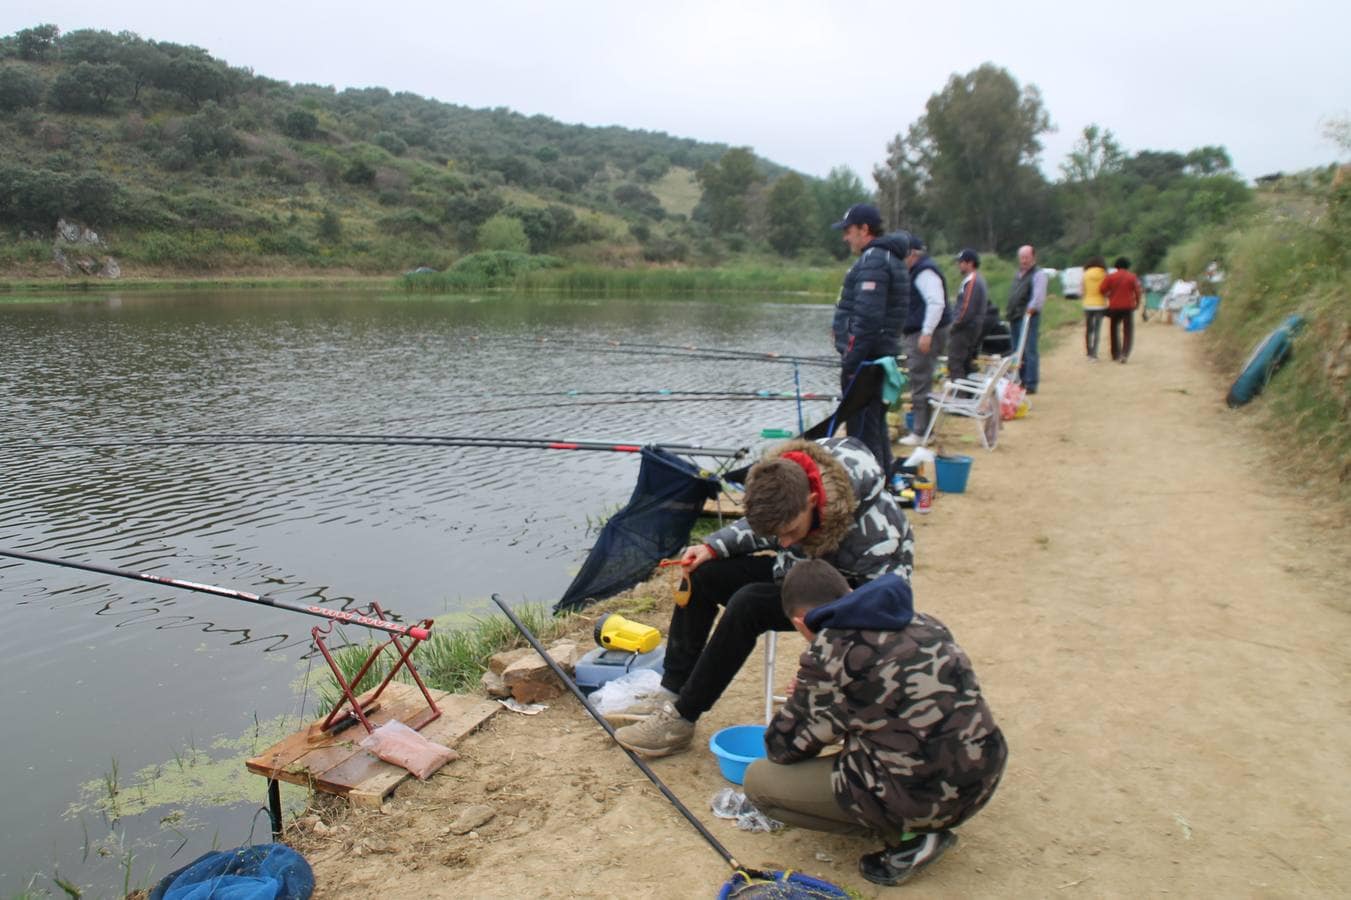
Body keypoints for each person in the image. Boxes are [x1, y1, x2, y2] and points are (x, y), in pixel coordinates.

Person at [611, 436, 915, 758]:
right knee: (703, 575)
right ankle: (672, 689)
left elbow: (887, 607)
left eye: (790, 532)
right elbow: (765, 526)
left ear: (812, 500)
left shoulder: (878, 529)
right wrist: (712, 546)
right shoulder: (787, 480)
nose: (782, 542)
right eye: (777, 535)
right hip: (796, 571)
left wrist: (824, 659)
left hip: (849, 595)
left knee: (749, 603)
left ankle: (682, 719)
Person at [744, 560, 1006, 887]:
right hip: (982, 773)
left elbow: (782, 748)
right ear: (848, 592)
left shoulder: (830, 652)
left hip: (931, 798)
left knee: (759, 782)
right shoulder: (921, 620)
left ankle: (909, 838)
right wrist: (825, 700)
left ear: (800, 622)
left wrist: (809, 694)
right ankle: (913, 822)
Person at [828, 203, 910, 471]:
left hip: (866, 362)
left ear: (865, 229)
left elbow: (867, 320)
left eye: (848, 231)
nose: (845, 237)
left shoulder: (875, 260)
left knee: (861, 435)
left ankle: (870, 490)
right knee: (873, 426)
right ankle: (885, 478)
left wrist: (851, 362)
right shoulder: (887, 258)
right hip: (876, 358)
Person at [898, 236, 952, 445]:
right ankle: (923, 429)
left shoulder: (924, 272)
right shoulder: (921, 269)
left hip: (924, 333)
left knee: (920, 379)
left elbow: (936, 302)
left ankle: (921, 433)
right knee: (920, 378)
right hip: (922, 331)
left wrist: (927, 332)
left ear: (912, 254)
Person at [1004, 245, 1048, 393]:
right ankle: (1020, 380)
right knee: (1017, 351)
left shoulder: (1038, 274)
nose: (1023, 260)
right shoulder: (1018, 274)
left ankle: (1031, 383)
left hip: (1028, 317)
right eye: (1021, 257)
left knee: (1030, 349)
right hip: (1014, 317)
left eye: (1026, 257)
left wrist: (1031, 309)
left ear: (1033, 258)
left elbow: (1038, 296)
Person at [947, 248, 989, 381]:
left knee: (955, 363)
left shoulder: (972, 281)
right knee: (965, 363)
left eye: (961, 262)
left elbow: (966, 309)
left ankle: (959, 397)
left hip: (965, 329)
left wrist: (954, 325)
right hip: (971, 328)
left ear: (970, 263)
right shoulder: (976, 280)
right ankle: (967, 395)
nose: (959, 265)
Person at [1101, 256, 1143, 363]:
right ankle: (1125, 354)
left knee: (1113, 330)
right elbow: (1138, 291)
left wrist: (1109, 295)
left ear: (1116, 266)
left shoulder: (1110, 277)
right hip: (1128, 307)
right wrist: (1137, 303)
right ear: (1128, 266)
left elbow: (1102, 289)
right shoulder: (1132, 277)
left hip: (1114, 307)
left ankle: (1115, 354)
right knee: (1128, 331)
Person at [1081, 255, 1109, 361]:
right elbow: (1106, 290)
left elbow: (1083, 291)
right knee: (1097, 330)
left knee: (1088, 329)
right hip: (1100, 304)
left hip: (1088, 304)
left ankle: (1088, 352)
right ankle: (1094, 354)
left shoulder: (1086, 274)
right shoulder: (1104, 274)